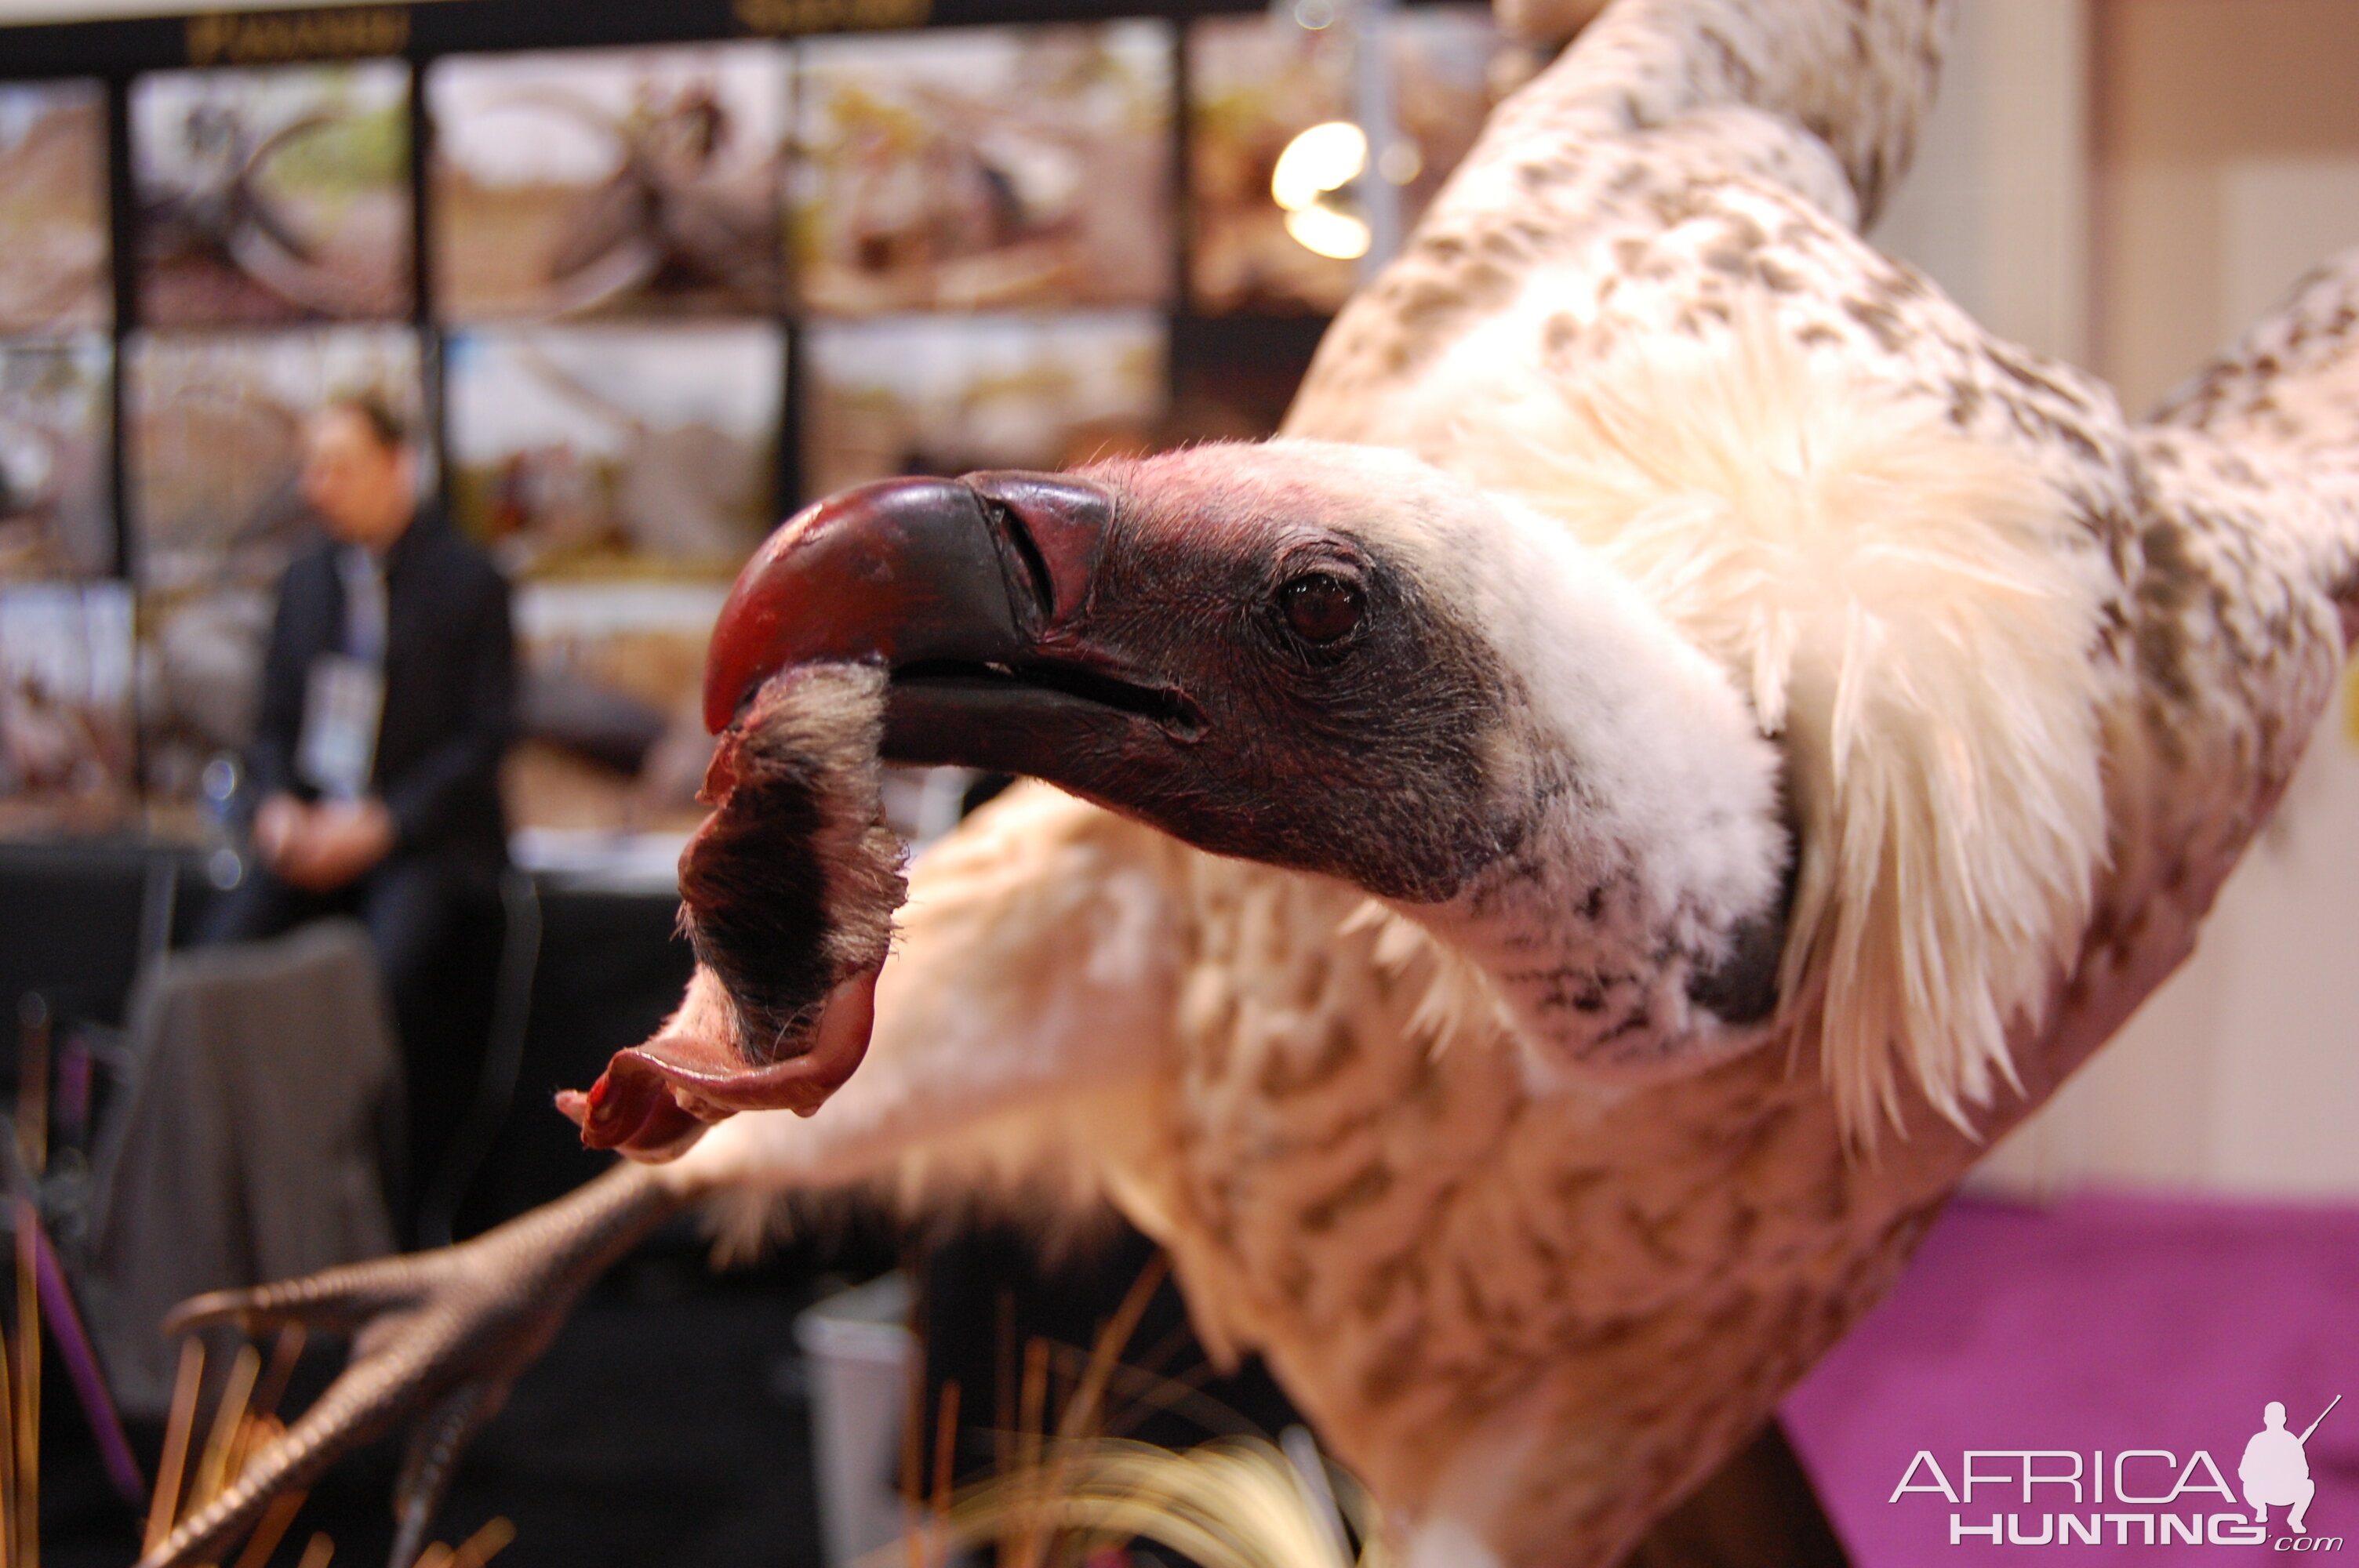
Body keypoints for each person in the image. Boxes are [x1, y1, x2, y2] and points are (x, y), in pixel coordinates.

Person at [200, 393, 516, 1229]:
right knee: (216, 960)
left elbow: (483, 738)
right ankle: (236, 1195)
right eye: (312, 466)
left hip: (420, 845)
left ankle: (373, 1205)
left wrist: (385, 823)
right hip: (309, 835)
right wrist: (273, 806)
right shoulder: (304, 580)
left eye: (338, 466)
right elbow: (271, 722)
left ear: (397, 465)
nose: (319, 486)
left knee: (384, 979)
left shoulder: (469, 581)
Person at [2240, 1401, 2317, 1534]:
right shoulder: (2257, 1440)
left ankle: (2295, 1519)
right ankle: (2261, 1509)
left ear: (2284, 1420)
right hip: (2261, 1491)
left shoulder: (2291, 1440)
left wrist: (2286, 1472)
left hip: (2286, 1491)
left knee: (2308, 1485)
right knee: (2248, 1484)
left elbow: (2304, 1472)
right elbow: (2244, 1471)